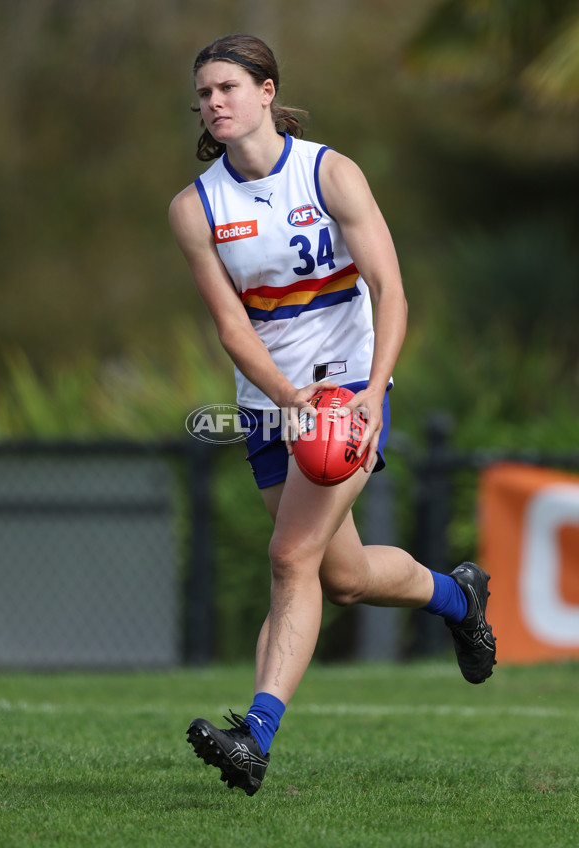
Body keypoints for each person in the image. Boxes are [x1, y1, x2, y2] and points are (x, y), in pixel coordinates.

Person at [169, 34, 496, 797]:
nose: (215, 102)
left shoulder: (329, 172)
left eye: (228, 88)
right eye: (204, 93)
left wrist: (373, 395)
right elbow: (232, 328)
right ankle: (459, 596)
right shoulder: (196, 207)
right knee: (340, 576)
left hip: (349, 390)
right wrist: (287, 402)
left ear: (267, 91)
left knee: (290, 559)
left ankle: (256, 733)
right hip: (270, 405)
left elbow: (390, 290)